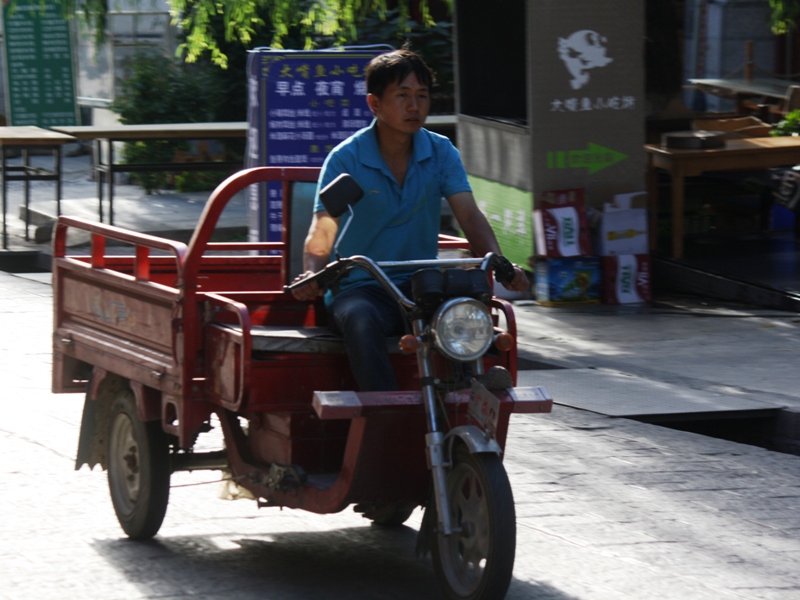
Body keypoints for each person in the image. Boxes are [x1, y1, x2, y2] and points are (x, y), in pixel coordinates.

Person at [291, 46, 529, 391]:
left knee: (470, 310)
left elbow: (469, 214)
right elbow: (324, 228)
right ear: (375, 104)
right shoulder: (347, 159)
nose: (414, 106)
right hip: (364, 288)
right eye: (402, 96)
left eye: (422, 96)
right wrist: (313, 272)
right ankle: (384, 415)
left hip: (422, 286)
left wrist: (501, 264)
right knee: (359, 319)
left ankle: (472, 391)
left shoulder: (440, 152)